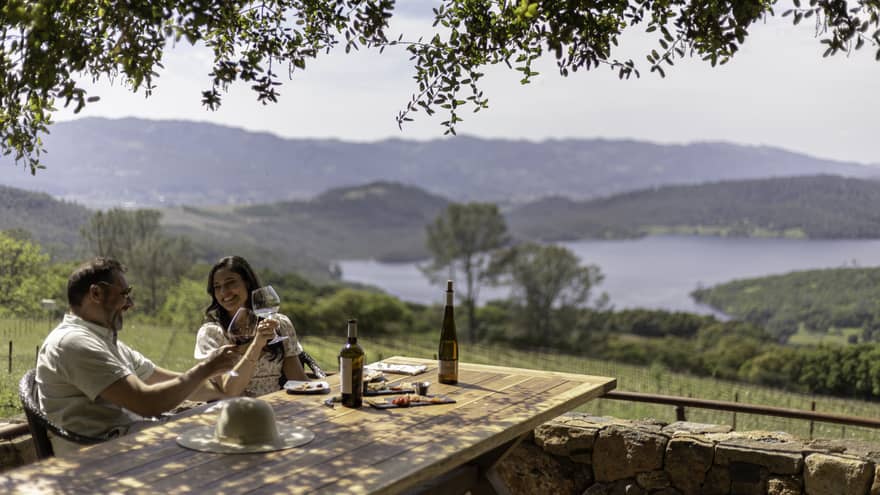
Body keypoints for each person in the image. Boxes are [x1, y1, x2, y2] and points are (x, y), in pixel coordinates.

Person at [36, 257, 238, 455]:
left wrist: (225, 395)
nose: (130, 303)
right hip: (103, 456)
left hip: (130, 440)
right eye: (124, 293)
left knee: (227, 412)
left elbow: (169, 381)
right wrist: (206, 369)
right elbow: (147, 403)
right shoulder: (73, 343)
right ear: (96, 293)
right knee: (224, 430)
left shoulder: (104, 341)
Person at [194, 255, 308, 397]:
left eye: (230, 283)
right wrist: (257, 344)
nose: (224, 292)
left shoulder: (280, 324)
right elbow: (230, 390)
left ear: (247, 283)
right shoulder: (211, 334)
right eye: (217, 287)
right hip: (236, 412)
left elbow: (298, 381)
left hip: (279, 408)